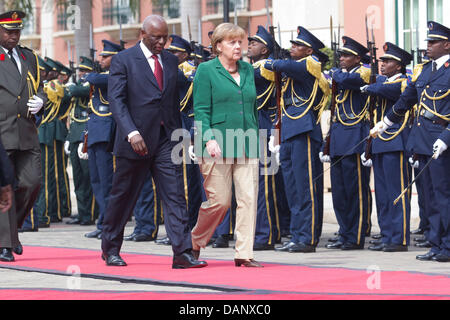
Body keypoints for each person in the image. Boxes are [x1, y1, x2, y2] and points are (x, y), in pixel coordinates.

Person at [101, 15, 207, 269]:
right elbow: (117, 101)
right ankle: (111, 249)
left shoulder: (170, 61)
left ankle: (182, 253)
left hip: (166, 140)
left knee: (175, 196)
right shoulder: (123, 60)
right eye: (156, 37)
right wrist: (131, 132)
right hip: (135, 141)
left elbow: (172, 101)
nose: (162, 42)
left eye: (165, 37)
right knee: (123, 197)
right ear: (142, 34)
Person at [371, 21, 450, 262]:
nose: (428, 46)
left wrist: (446, 138)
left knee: (444, 195)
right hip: (423, 139)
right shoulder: (425, 70)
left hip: (441, 139)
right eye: (428, 42)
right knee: (430, 197)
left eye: (433, 42)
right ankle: (436, 244)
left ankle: (447, 246)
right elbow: (407, 100)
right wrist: (385, 122)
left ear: (447, 45)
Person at [191, 22, 262, 267]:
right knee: (220, 202)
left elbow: (252, 106)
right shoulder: (206, 70)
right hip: (216, 143)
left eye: (239, 42)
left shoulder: (247, 69)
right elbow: (200, 110)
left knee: (248, 199)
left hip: (247, 141)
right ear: (218, 45)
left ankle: (244, 253)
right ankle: (195, 240)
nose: (238, 47)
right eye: (232, 42)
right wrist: (208, 139)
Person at [264, 26, 329, 253]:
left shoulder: (310, 66)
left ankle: (307, 238)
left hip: (304, 131)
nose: (292, 48)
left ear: (309, 50)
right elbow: (283, 102)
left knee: (305, 188)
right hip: (290, 130)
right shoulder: (293, 71)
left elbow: (280, 65)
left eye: (297, 45)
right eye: (291, 45)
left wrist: (272, 61)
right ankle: (297, 234)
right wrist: (276, 133)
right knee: (292, 188)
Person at [0, 11, 46, 261]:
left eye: (17, 31)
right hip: (2, 132)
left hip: (27, 131)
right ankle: (5, 244)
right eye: (8, 31)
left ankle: (10, 231)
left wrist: (42, 100)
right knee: (3, 188)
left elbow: (39, 86)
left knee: (32, 182)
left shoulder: (29, 57)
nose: (13, 36)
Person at [360, 42, 413, 252]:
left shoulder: (403, 82)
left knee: (396, 193)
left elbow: (386, 90)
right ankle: (387, 235)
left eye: (388, 61)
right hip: (381, 141)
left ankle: (398, 238)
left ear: (399, 66)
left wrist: (371, 86)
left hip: (396, 141)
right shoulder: (383, 81)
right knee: (382, 194)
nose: (383, 64)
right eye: (382, 61)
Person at [322, 36, 372, 250]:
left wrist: (336, 73)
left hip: (355, 137)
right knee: (340, 192)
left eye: (346, 56)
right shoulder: (340, 75)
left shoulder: (364, 72)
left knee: (355, 191)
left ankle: (356, 235)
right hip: (339, 137)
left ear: (357, 58)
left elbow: (350, 82)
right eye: (340, 55)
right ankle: (345, 232)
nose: (341, 59)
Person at [247, 25, 287, 251]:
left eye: (255, 42)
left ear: (265, 50)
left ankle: (267, 234)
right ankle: (266, 231)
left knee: (264, 186)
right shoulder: (254, 67)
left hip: (266, 129)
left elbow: (245, 76)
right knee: (257, 185)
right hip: (255, 129)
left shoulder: (264, 67)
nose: (249, 45)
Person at [82, 40, 119, 239]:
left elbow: (95, 79)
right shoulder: (100, 77)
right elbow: (92, 109)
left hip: (107, 134)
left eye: (106, 56)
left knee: (108, 184)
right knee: (97, 182)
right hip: (95, 132)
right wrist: (84, 136)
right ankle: (103, 222)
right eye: (101, 56)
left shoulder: (116, 74)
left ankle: (109, 223)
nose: (101, 59)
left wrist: (90, 75)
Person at [65, 56, 99, 226]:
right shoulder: (79, 84)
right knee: (78, 178)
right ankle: (82, 212)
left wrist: (71, 86)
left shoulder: (89, 85)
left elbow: (79, 91)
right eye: (80, 71)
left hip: (85, 133)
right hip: (74, 134)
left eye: (85, 71)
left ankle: (90, 213)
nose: (82, 74)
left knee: (88, 176)